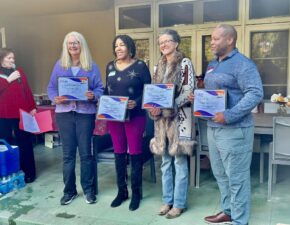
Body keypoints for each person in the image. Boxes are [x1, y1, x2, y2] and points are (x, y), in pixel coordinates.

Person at [200, 24, 263, 225]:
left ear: (230, 40)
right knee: (220, 174)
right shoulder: (212, 64)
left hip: (235, 130)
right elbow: (214, 93)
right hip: (213, 128)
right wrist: (199, 96)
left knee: (237, 177)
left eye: (216, 38)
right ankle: (228, 211)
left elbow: (255, 93)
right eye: (211, 38)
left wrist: (229, 115)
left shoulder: (243, 64)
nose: (211, 42)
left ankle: (239, 220)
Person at [47, 31, 103, 205]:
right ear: (66, 46)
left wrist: (92, 95)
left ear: (82, 45)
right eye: (69, 43)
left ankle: (88, 190)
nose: (73, 46)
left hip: (85, 114)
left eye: (76, 42)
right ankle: (69, 191)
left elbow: (100, 89)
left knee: (86, 154)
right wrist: (55, 98)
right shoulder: (59, 65)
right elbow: (51, 88)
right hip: (64, 114)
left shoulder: (91, 66)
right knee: (68, 155)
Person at [148, 29, 195, 219]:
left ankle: (179, 203)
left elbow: (188, 90)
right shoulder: (157, 66)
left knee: (179, 161)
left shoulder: (185, 63)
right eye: (160, 42)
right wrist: (152, 107)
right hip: (160, 121)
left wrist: (168, 106)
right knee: (165, 162)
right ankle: (167, 200)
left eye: (167, 41)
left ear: (176, 43)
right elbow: (153, 91)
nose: (163, 45)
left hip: (180, 118)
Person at [104, 34, 151, 211]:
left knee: (135, 153)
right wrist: (102, 101)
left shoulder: (140, 66)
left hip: (135, 116)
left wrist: (136, 102)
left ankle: (136, 193)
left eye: (122, 45)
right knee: (119, 152)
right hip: (114, 117)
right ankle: (121, 191)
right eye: (116, 46)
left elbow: (149, 91)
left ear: (130, 47)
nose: (118, 48)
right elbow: (106, 90)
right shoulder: (109, 66)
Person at [0, 48, 37, 183]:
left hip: (21, 114)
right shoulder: (3, 75)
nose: (12, 61)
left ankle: (29, 172)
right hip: (3, 116)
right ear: (1, 59)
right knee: (6, 144)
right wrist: (8, 80)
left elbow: (27, 90)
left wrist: (32, 107)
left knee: (25, 142)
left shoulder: (19, 72)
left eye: (13, 58)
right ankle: (8, 172)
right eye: (9, 58)